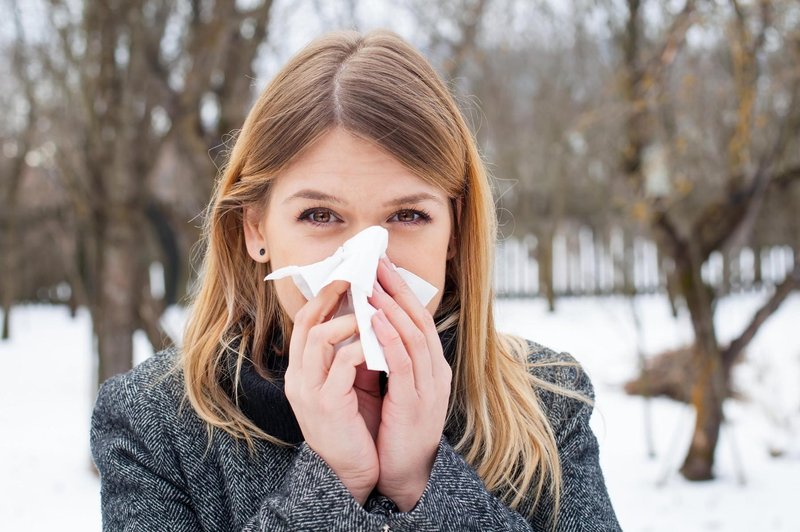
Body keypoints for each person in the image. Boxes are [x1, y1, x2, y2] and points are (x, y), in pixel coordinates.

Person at [90, 29, 621, 531]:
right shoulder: (156, 425)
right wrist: (332, 481)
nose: (364, 261)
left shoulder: (546, 404)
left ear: (455, 231)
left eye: (407, 215)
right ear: (256, 229)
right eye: (320, 215)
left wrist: (423, 481)